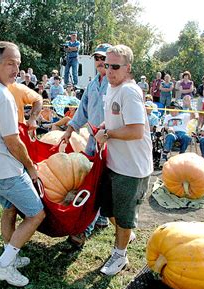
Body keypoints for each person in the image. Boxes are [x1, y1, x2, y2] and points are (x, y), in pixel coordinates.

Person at [0, 41, 45, 287]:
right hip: (5, 169)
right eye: (10, 63)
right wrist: (31, 166)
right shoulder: (3, 96)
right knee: (36, 214)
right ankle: (3, 264)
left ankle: (9, 254)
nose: (16, 70)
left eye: (19, 64)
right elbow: (13, 141)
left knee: (10, 209)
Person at [93, 44, 153, 276]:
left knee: (124, 214)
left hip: (132, 167)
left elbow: (136, 131)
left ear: (128, 68)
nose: (109, 70)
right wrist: (105, 126)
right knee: (111, 210)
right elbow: (118, 121)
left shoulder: (129, 91)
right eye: (107, 65)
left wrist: (107, 134)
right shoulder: (111, 87)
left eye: (115, 66)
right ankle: (126, 232)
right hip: (116, 163)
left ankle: (120, 256)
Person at [60, 43, 113, 247]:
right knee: (92, 182)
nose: (100, 62)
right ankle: (99, 219)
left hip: (110, 142)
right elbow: (82, 111)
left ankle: (85, 229)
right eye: (97, 59)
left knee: (99, 184)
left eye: (104, 58)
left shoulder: (115, 85)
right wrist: (69, 130)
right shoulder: (92, 85)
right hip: (92, 140)